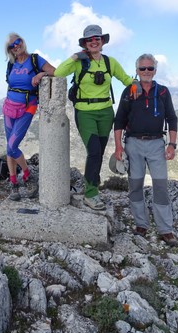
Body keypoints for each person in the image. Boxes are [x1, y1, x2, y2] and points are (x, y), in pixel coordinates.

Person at [54, 25, 134, 210]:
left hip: (106, 112)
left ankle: (93, 190)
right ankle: (90, 194)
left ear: (103, 41)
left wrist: (137, 83)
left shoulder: (109, 62)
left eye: (97, 38)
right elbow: (58, 73)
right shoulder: (79, 61)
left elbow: (125, 79)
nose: (94, 42)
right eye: (89, 39)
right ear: (84, 43)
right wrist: (75, 56)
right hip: (85, 111)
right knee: (94, 151)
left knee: (98, 153)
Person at [113, 54, 178, 247]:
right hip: (133, 144)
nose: (146, 72)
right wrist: (118, 146)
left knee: (160, 186)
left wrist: (172, 145)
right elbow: (119, 120)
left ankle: (165, 229)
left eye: (150, 68)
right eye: (143, 69)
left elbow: (172, 119)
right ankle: (141, 224)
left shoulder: (164, 92)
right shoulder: (130, 90)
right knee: (135, 186)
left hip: (157, 144)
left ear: (155, 71)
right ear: (137, 71)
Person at [3, 32, 56, 201]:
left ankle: (27, 174)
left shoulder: (35, 59)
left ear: (22, 42)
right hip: (9, 107)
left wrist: (41, 74)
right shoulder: (11, 64)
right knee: (9, 146)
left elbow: (55, 71)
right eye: (11, 46)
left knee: (12, 146)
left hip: (28, 106)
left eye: (17, 42)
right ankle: (14, 183)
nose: (15, 47)